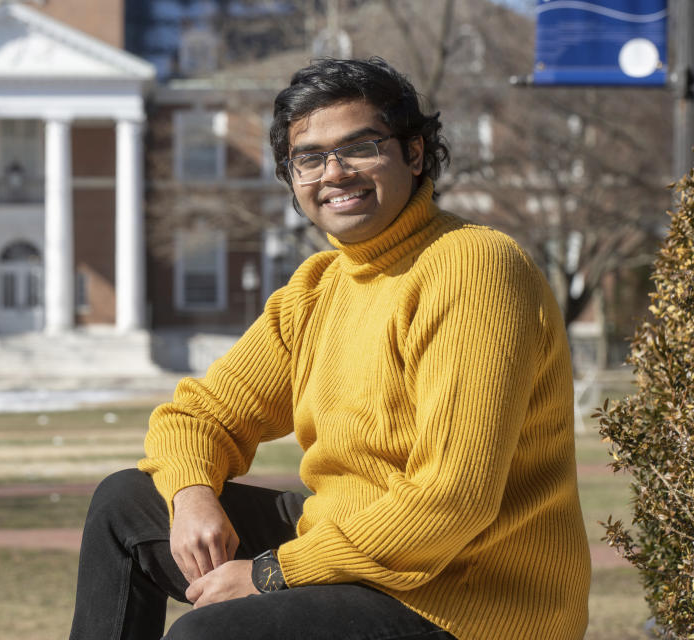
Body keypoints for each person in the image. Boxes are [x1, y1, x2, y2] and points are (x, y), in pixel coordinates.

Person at [69, 57, 591, 640]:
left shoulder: (474, 267)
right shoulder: (317, 287)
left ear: (414, 154)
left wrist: (270, 574)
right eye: (309, 158)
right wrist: (191, 495)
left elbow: (453, 499)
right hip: (348, 557)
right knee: (126, 505)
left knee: (207, 638)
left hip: (466, 598)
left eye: (360, 147)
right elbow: (196, 416)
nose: (334, 172)